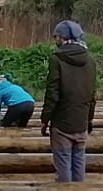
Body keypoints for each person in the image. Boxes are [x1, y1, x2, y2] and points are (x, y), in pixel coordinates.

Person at [41, 19, 97, 182]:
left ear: (62, 38)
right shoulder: (90, 61)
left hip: (62, 123)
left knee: (63, 162)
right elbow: (92, 94)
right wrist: (89, 119)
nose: (55, 40)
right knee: (79, 161)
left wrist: (45, 119)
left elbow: (52, 93)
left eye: (56, 37)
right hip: (81, 121)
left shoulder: (56, 59)